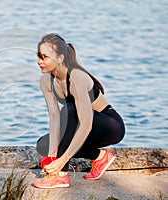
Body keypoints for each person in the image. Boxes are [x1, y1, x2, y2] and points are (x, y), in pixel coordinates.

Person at [32, 33, 125, 189]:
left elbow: (86, 124)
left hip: (109, 126)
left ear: (60, 58)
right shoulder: (46, 81)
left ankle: (60, 177)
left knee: (69, 110)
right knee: (44, 144)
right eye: (39, 56)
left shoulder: (76, 77)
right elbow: (54, 119)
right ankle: (101, 157)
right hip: (80, 123)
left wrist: (61, 161)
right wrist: (53, 154)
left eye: (44, 57)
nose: (39, 61)